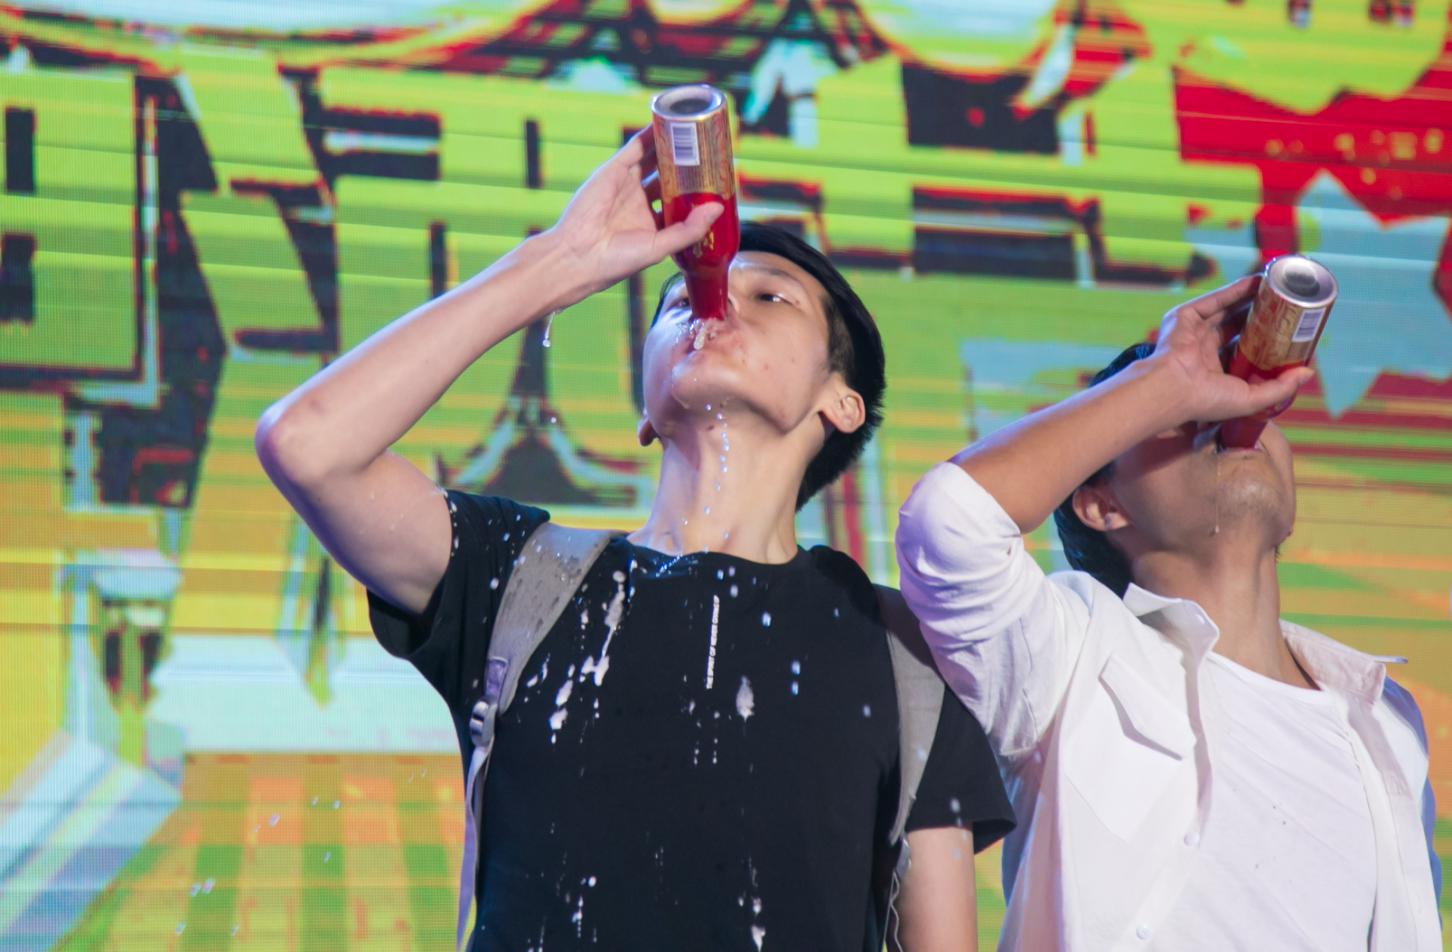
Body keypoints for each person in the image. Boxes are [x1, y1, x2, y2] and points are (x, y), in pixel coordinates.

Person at [256, 128, 1013, 952]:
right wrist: (560, 261)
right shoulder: (522, 578)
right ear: (646, 412)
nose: (714, 303)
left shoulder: (902, 651)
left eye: (770, 298)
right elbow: (307, 444)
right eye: (682, 299)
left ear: (842, 403)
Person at [895, 277, 1441, 950]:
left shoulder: (1387, 722)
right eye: (1185, 413)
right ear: (1102, 504)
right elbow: (949, 525)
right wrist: (1167, 380)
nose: (1229, 418)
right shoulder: (1071, 656)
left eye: (1243, 402)